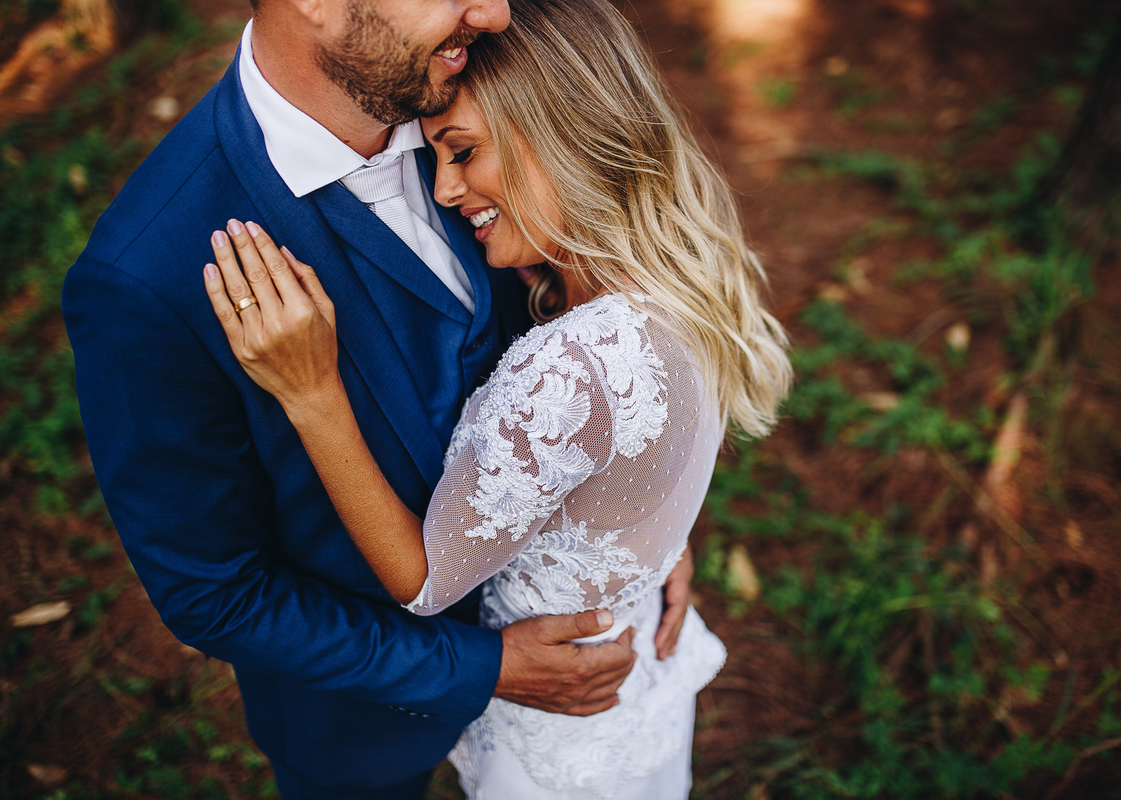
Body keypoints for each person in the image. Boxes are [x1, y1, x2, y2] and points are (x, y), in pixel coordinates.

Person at [61, 0, 696, 797]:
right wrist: (486, 668)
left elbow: (600, 327)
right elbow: (213, 594)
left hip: (584, 667)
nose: (493, 10)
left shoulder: (494, 91)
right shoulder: (147, 274)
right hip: (364, 728)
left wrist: (635, 520)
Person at [200, 0, 794, 797]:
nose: (444, 189)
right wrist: (649, 548)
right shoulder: (675, 280)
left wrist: (313, 395)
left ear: (562, 130)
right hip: (636, 681)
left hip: (558, 741)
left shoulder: (573, 365)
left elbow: (424, 581)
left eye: (463, 152)